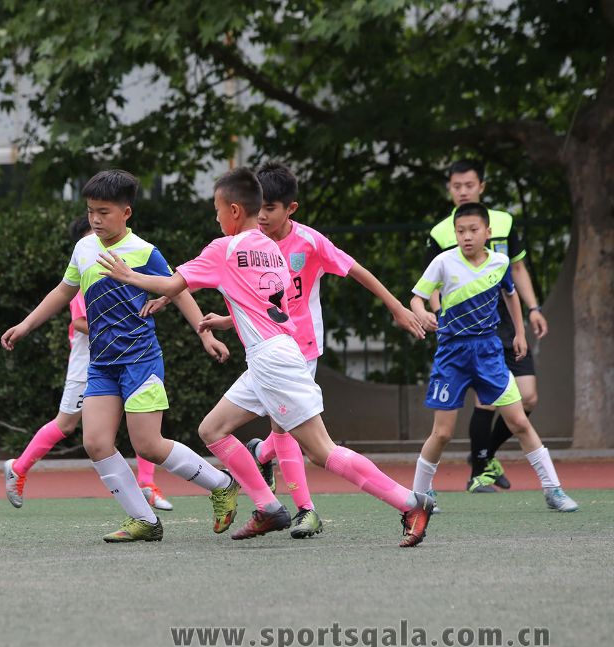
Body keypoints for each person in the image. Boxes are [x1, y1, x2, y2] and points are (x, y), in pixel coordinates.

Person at [98, 167, 437, 547]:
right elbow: (270, 307)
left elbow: (171, 283)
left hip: (273, 361)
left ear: (234, 210)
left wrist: (129, 276)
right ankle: (268, 506)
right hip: (273, 354)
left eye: (217, 209)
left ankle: (410, 503)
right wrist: (229, 321)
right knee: (212, 429)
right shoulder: (271, 249)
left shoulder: (224, 248)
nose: (215, 216)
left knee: (321, 450)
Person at [1, 169, 239, 543]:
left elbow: (178, 290)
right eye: (90, 211)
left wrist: (204, 333)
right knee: (96, 443)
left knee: (148, 445)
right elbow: (63, 291)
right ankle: (144, 520)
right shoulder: (84, 249)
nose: (95, 219)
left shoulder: (144, 251)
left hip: (140, 360)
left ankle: (223, 484)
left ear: (126, 212)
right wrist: (26, 325)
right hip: (101, 364)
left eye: (104, 212)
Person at [409, 202, 578, 512]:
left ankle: (553, 490)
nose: (467, 236)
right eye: (460, 231)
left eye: (473, 230)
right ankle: (419, 496)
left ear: (487, 232)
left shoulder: (500, 262)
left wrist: (519, 333)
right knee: (442, 433)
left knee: (519, 421)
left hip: (489, 353)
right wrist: (422, 313)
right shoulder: (443, 262)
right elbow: (416, 299)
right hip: (452, 355)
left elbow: (510, 295)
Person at [4, 216, 173, 512]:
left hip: (122, 357)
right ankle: (18, 468)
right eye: (92, 233)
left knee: (140, 417)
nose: (99, 237)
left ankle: (147, 484)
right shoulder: (85, 278)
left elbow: (175, 286)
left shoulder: (125, 267)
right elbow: (79, 321)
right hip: (88, 364)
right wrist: (116, 326)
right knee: (66, 423)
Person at [426, 160, 549, 492]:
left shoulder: (504, 222)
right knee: (486, 400)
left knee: (528, 397)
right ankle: (479, 472)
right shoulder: (441, 232)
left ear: (481, 186)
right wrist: (440, 314)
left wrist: (533, 309)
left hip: (507, 324)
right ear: (449, 189)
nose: (463, 191)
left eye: (469, 185)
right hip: (469, 328)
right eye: (456, 186)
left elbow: (517, 270)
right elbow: (432, 283)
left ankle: (485, 455)